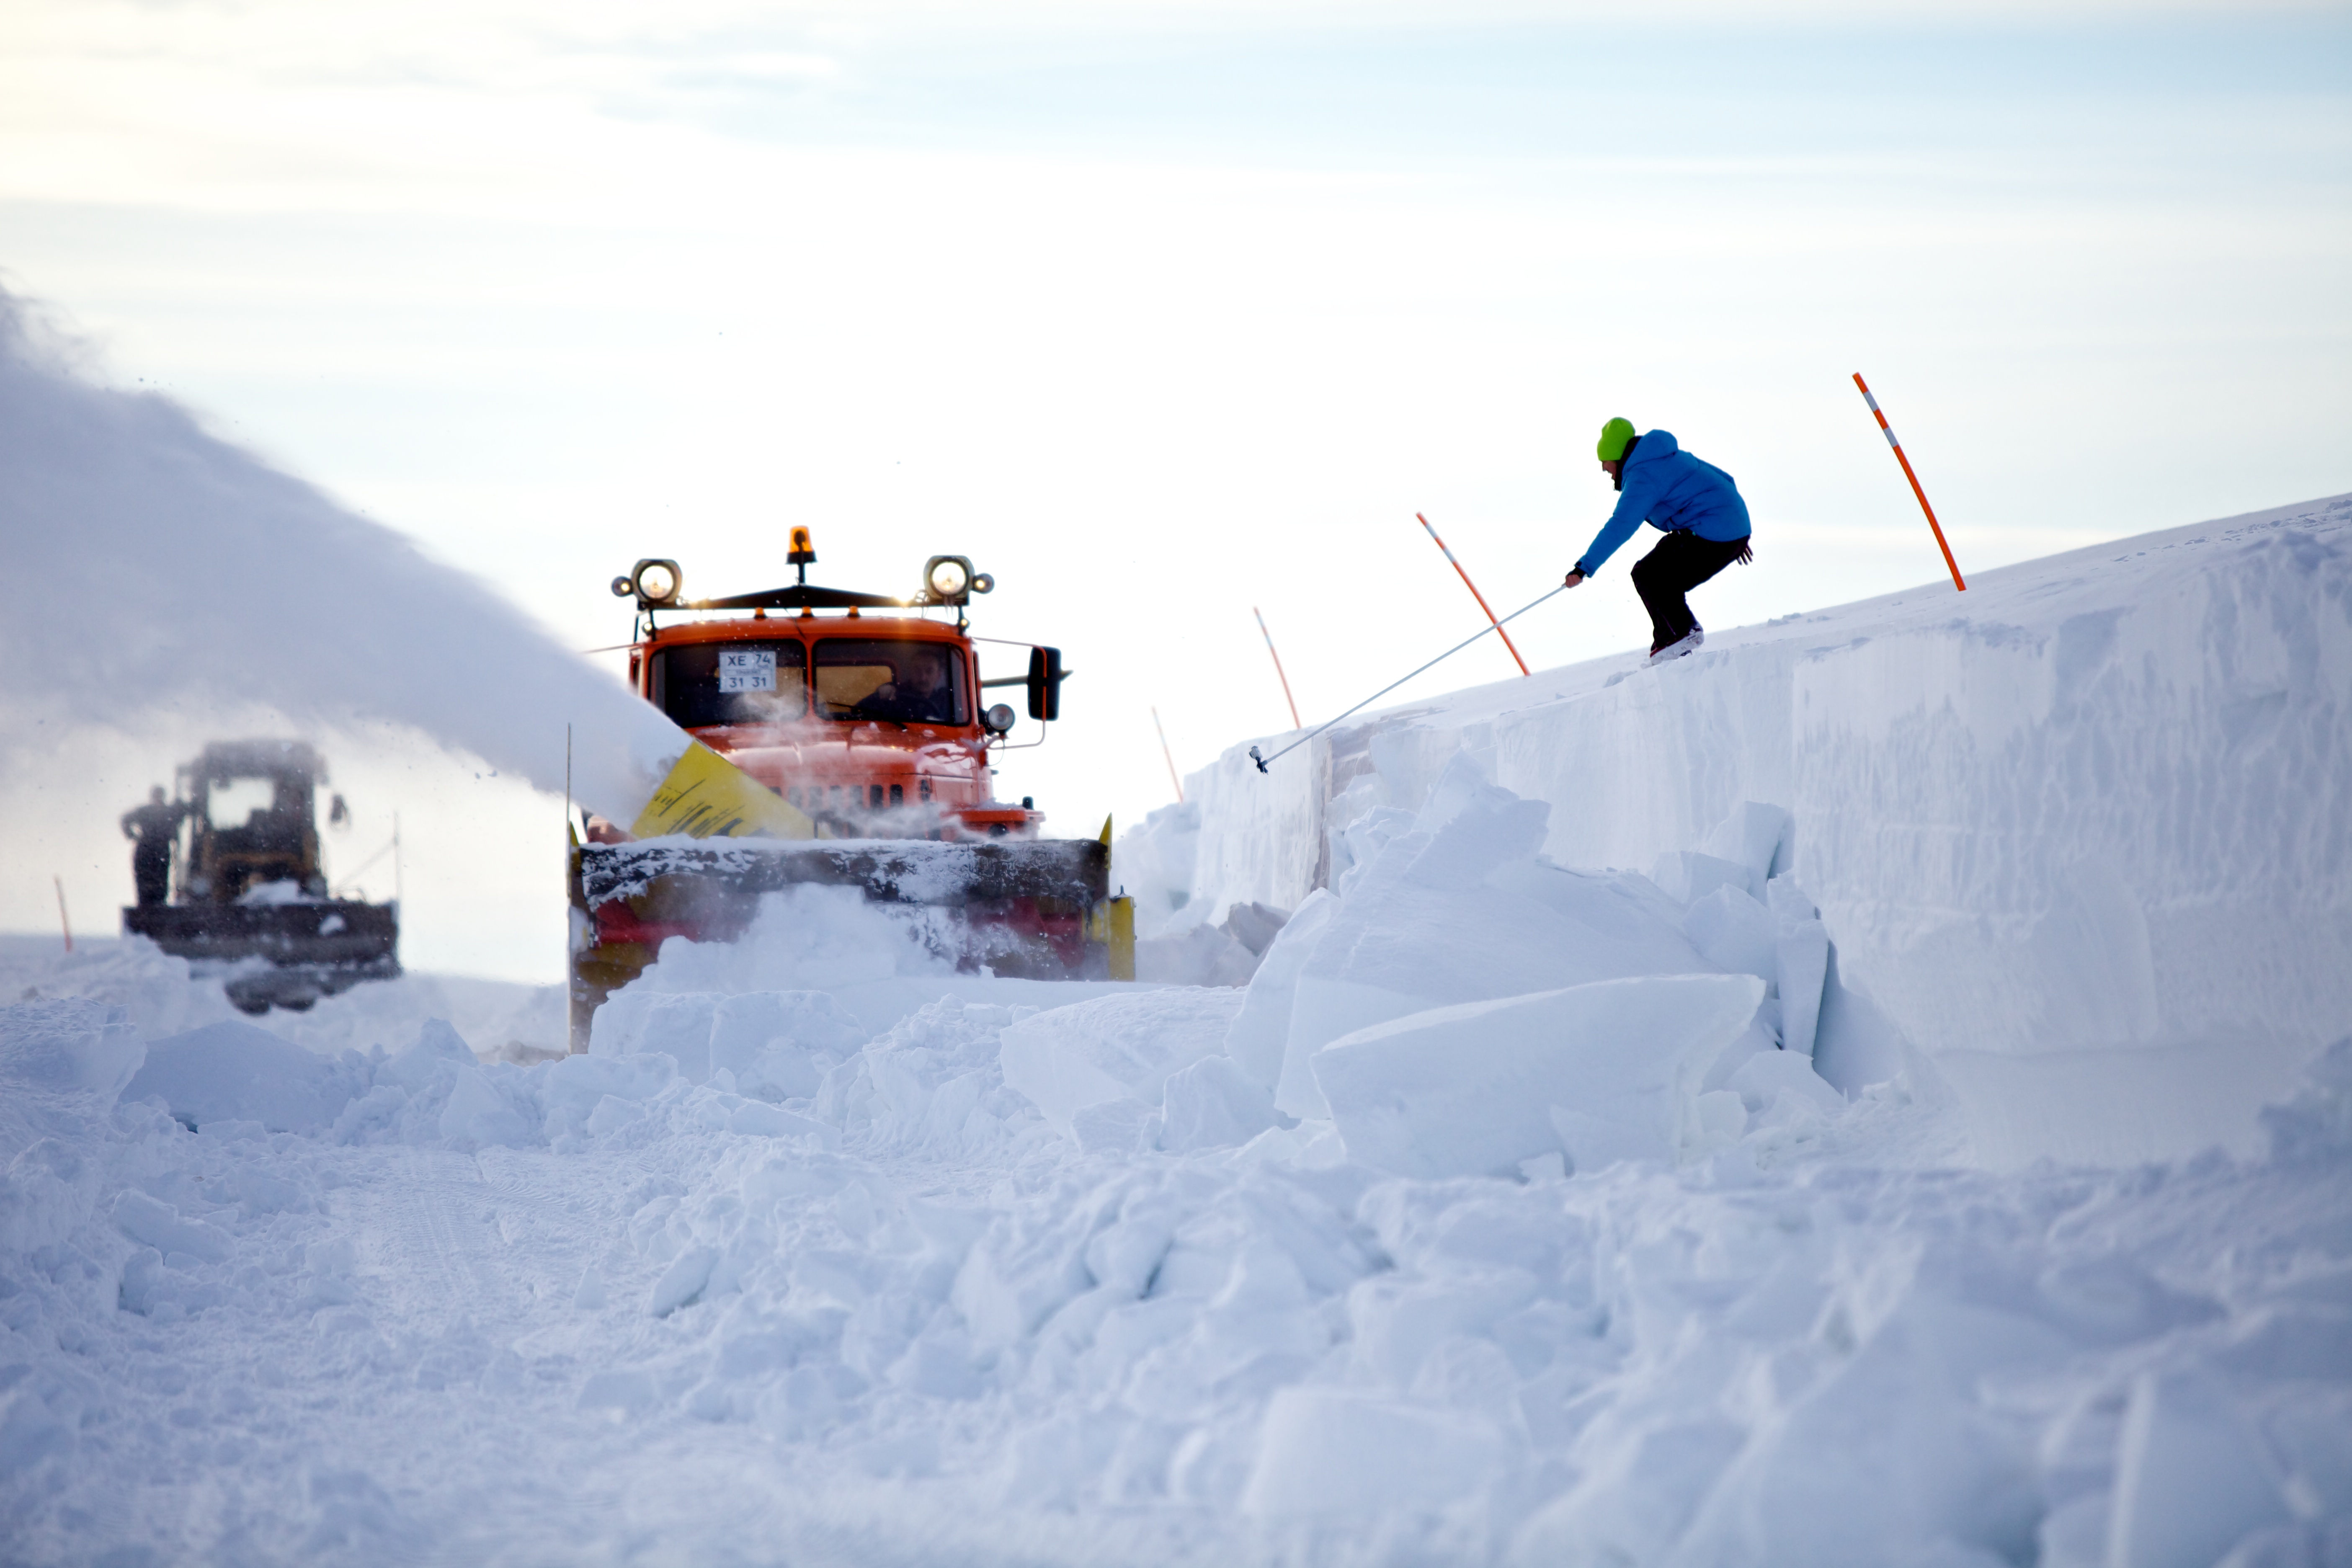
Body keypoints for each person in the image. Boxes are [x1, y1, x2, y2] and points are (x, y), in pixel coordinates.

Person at [1563, 416, 1753, 663]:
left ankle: (1680, 634)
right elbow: (1725, 479)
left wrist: (1584, 567)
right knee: (1663, 576)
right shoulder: (1666, 457)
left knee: (1648, 574)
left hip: (1714, 533)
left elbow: (1621, 525)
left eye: (1605, 463)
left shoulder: (1643, 476)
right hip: (1730, 531)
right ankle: (1676, 645)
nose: (1604, 470)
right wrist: (1734, 533)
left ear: (1617, 457)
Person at [120, 786, 185, 908]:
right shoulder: (166, 812)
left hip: (150, 850)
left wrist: (132, 836)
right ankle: (155, 906)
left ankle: (151, 907)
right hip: (156, 850)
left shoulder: (147, 811)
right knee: (155, 882)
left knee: (151, 883)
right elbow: (125, 820)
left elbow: (125, 820)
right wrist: (132, 836)